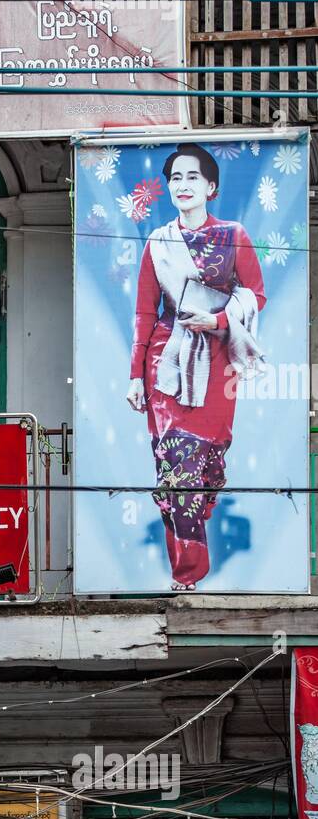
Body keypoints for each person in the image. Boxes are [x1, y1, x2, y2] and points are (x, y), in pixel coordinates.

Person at [126, 143, 265, 590]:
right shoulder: (158, 242)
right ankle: (186, 574)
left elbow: (255, 294)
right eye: (175, 179)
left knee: (205, 465)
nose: (182, 186)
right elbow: (145, 313)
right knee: (174, 465)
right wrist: (134, 375)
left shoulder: (233, 234)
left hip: (217, 362)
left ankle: (193, 558)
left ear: (211, 186)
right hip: (164, 365)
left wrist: (219, 320)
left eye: (191, 177)